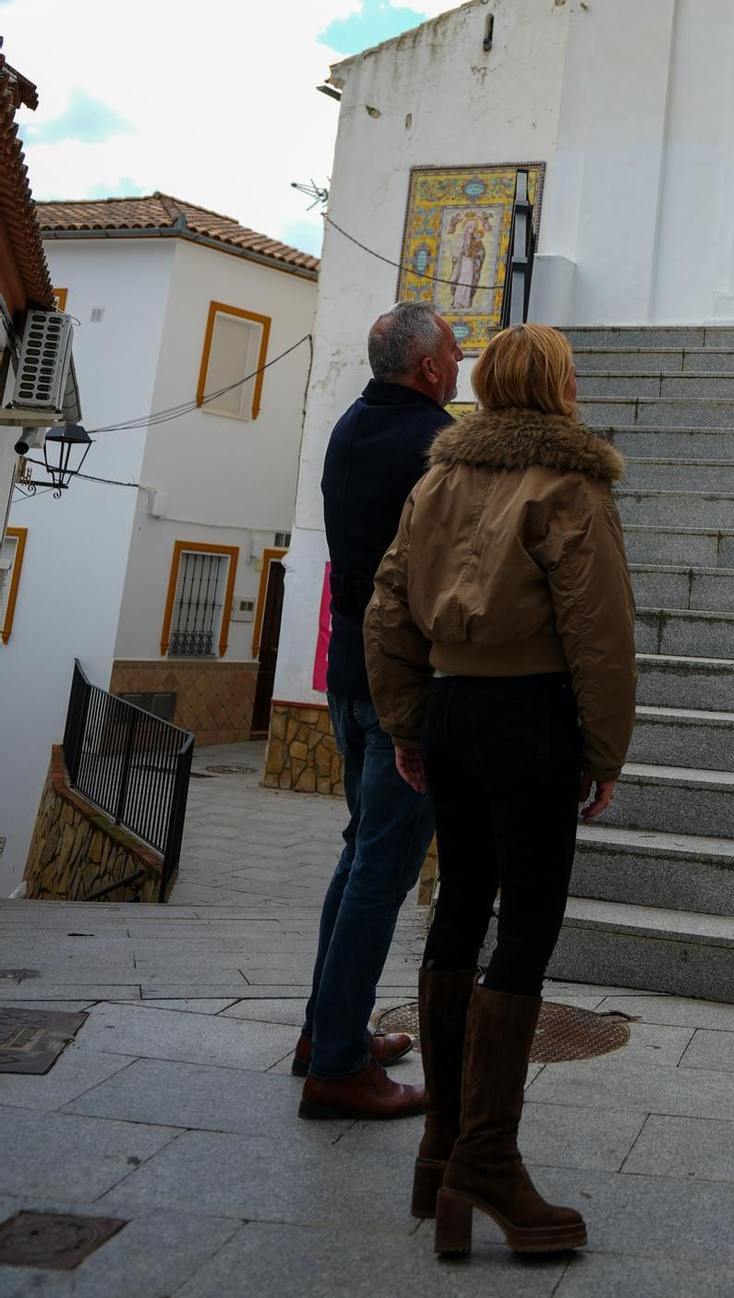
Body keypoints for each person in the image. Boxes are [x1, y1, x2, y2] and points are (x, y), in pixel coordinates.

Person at [365, 321, 635, 1259]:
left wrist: (407, 720)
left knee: (458, 909)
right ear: (558, 386)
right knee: (524, 922)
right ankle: (487, 1157)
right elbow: (596, 630)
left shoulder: (437, 479)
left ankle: (441, 1151)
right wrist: (603, 751)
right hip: (530, 719)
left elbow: (388, 602)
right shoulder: (573, 483)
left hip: (451, 710)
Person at [295, 301, 464, 1121]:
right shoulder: (435, 447)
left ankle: (327, 1031)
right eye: (456, 353)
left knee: (359, 853)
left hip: (348, 667)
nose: (462, 364)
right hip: (403, 677)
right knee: (382, 870)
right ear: (429, 367)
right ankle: (336, 1064)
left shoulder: (349, 428)